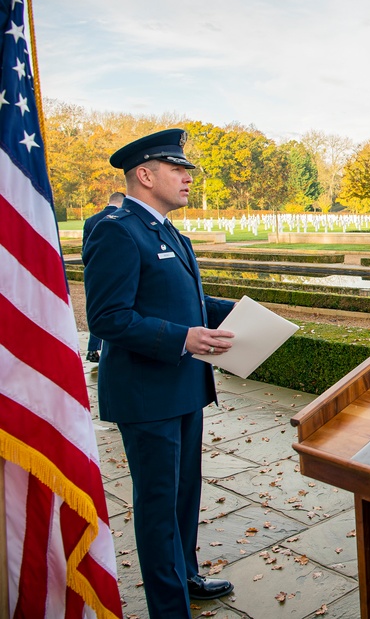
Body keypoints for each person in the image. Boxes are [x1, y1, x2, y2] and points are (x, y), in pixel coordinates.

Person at [84, 129, 238, 616]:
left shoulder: (170, 231)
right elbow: (108, 317)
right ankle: (168, 608)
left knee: (183, 496)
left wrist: (247, 314)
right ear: (145, 175)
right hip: (147, 393)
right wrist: (182, 339)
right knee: (157, 504)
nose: (188, 176)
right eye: (178, 169)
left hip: (185, 385)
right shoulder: (116, 228)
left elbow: (191, 303)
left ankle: (185, 575)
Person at [81, 191, 124, 362]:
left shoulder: (90, 220)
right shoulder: (121, 217)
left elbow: (85, 250)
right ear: (122, 202)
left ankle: (93, 348)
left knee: (98, 311)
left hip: (95, 271)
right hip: (118, 272)